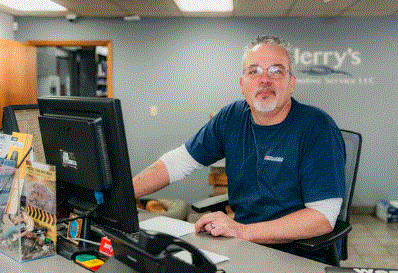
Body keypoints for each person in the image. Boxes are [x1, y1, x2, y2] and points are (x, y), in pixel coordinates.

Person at [133, 35, 345, 260]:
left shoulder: (317, 128)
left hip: (298, 254)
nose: (265, 80)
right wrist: (123, 192)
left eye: (276, 71)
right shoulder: (231, 118)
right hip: (245, 246)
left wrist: (241, 230)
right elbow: (178, 162)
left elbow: (322, 218)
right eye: (254, 71)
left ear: (291, 83)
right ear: (242, 85)